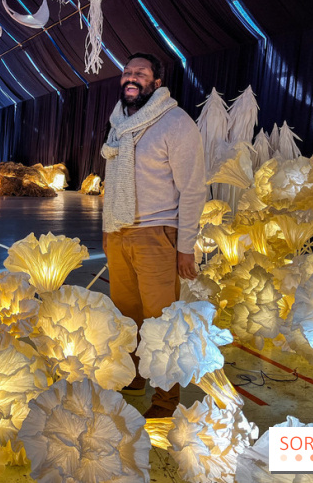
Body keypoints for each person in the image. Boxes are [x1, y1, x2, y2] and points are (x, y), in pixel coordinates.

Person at [101, 53, 205, 418]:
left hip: (156, 236)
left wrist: (185, 247)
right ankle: (134, 377)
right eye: (127, 72)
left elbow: (192, 189)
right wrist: (108, 229)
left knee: (161, 322)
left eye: (140, 73)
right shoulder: (119, 124)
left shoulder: (175, 123)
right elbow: (112, 183)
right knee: (126, 317)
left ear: (156, 83)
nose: (131, 78)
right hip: (120, 233)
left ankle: (165, 400)